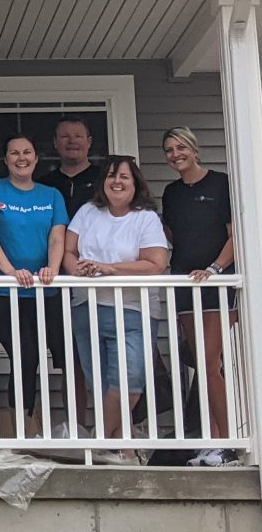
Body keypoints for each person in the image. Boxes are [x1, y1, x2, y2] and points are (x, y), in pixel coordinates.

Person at [64, 156, 168, 463]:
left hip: (133, 308)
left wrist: (109, 268)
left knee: (130, 380)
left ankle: (98, 443)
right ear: (103, 183)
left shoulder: (145, 218)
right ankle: (125, 447)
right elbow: (69, 252)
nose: (117, 182)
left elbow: (155, 263)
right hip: (88, 305)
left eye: (124, 176)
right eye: (111, 176)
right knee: (100, 381)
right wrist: (77, 270)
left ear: (135, 183)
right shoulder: (87, 212)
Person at [161, 127, 238, 467]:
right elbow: (172, 236)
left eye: (181, 147)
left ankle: (225, 443)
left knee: (209, 364)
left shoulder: (221, 183)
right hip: (183, 283)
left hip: (215, 283)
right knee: (200, 366)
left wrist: (216, 269)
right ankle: (211, 440)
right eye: (168, 150)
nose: (175, 154)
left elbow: (235, 235)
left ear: (195, 149)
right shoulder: (171, 193)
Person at [0, 135, 68, 438]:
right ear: (5, 159)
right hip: (6, 293)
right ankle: (22, 428)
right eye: (14, 153)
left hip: (45, 291)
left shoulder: (52, 195)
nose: (21, 158)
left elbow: (57, 237)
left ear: (36, 158)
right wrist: (10, 272)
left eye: (27, 152)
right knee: (26, 355)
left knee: (69, 356)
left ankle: (70, 427)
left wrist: (53, 269)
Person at [39, 115, 103, 219]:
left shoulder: (105, 181)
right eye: (65, 136)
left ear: (89, 142)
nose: (72, 141)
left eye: (78, 136)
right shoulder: (43, 186)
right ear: (55, 142)